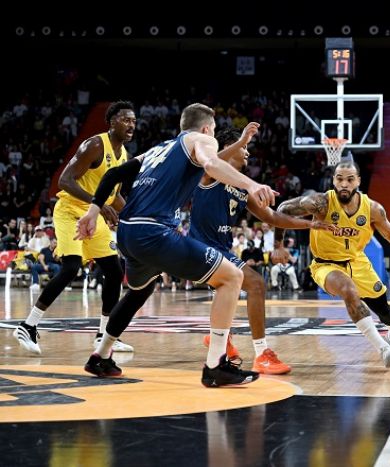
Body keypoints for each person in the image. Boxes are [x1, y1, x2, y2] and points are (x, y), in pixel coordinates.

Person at [75, 103, 277, 387]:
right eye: (214, 131)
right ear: (207, 128)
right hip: (154, 231)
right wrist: (251, 185)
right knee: (232, 277)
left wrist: (92, 211)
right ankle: (216, 366)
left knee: (140, 290)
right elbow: (211, 164)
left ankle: (101, 355)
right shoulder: (202, 139)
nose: (213, 136)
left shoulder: (158, 149)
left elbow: (113, 175)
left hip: (128, 232)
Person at [191, 126, 335, 375]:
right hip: (199, 249)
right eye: (244, 148)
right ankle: (261, 354)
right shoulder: (210, 174)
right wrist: (241, 140)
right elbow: (212, 162)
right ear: (228, 149)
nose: (247, 152)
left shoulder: (241, 188)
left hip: (220, 250)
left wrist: (310, 224)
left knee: (230, 289)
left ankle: (220, 338)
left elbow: (273, 217)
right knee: (256, 284)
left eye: (247, 147)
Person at [275, 159, 390, 368]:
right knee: (348, 290)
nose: (344, 184)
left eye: (350, 179)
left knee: (384, 310)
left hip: (357, 262)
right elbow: (283, 209)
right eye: (339, 179)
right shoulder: (321, 203)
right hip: (326, 265)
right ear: (333, 181)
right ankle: (383, 348)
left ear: (358, 181)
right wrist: (278, 245)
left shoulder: (373, 209)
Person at [13, 101, 137, 355]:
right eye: (126, 120)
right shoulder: (95, 145)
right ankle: (28, 326)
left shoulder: (124, 154)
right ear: (111, 122)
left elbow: (114, 196)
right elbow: (64, 180)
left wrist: (136, 215)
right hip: (71, 211)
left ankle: (105, 335)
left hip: (93, 214)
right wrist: (98, 204)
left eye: (134, 121)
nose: (131, 125)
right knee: (71, 267)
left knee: (114, 271)